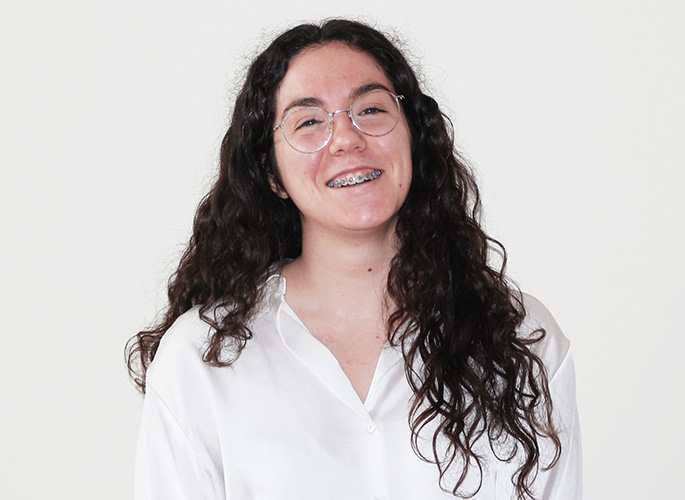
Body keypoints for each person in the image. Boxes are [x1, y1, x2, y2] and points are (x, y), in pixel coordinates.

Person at [127, 19, 582, 500]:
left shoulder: (520, 339)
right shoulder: (199, 359)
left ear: (413, 138)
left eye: (371, 109)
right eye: (309, 122)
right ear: (272, 174)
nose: (346, 138)